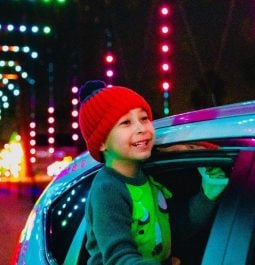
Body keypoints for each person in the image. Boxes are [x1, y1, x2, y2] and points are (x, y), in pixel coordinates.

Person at [78, 80, 228, 265]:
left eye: (143, 118)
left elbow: (174, 231)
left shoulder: (147, 180)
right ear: (101, 142)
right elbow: (119, 258)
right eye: (126, 122)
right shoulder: (108, 189)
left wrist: (209, 191)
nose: (141, 128)